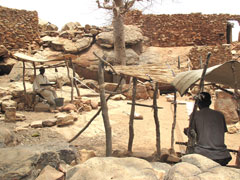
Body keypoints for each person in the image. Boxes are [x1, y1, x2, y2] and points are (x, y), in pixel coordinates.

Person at [184, 92, 232, 166]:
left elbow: (192, 134)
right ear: (210, 102)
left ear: (198, 103)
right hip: (222, 155)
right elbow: (219, 132)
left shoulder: (194, 115)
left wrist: (186, 131)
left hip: (204, 154)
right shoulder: (220, 115)